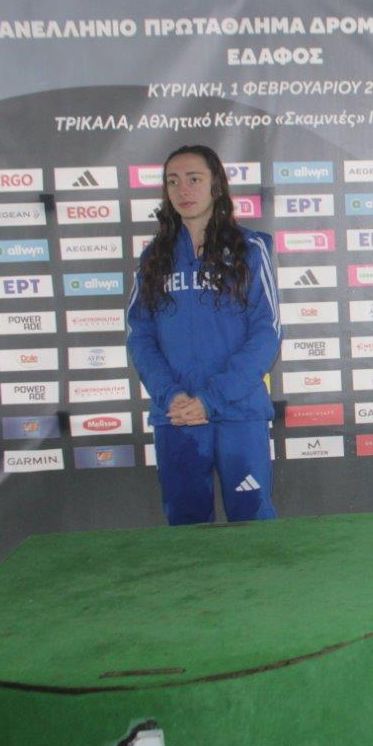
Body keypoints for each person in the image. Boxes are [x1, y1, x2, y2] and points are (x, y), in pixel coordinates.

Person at [127, 144, 281, 526]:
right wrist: (171, 395)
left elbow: (267, 333)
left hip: (238, 412)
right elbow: (140, 336)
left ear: (216, 185)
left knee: (253, 524)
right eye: (173, 181)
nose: (183, 190)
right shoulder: (153, 259)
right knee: (186, 528)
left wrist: (211, 399)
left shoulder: (250, 249)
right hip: (177, 417)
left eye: (194, 179)